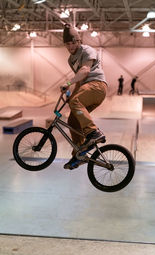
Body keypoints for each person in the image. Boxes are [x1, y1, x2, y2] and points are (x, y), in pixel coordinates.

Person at [61, 23, 107, 170]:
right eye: (67, 44)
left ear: (79, 41)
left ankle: (93, 132)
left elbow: (85, 71)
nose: (71, 47)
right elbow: (79, 81)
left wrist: (68, 82)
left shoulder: (87, 50)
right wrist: (71, 96)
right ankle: (79, 153)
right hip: (86, 88)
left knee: (76, 101)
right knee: (72, 120)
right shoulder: (71, 60)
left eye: (73, 43)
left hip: (97, 86)